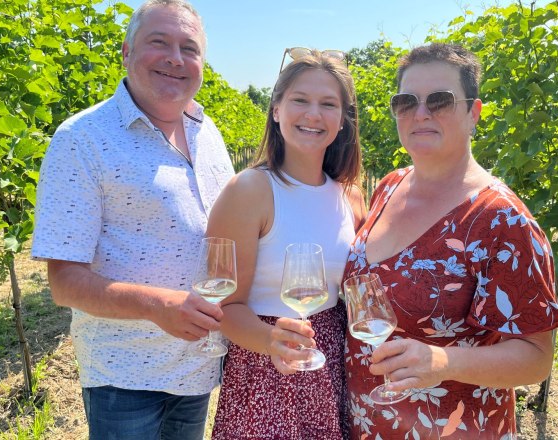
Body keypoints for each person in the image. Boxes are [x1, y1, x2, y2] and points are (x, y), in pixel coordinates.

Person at [342, 43, 558, 439]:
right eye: (406, 102)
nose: (420, 113)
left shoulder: (501, 220)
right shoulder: (389, 186)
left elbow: (536, 358)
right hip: (365, 423)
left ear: (474, 113)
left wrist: (443, 361)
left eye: (440, 101)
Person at [31, 1, 235, 438]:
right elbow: (64, 282)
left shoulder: (208, 132)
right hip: (125, 376)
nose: (175, 58)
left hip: (198, 366)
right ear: (127, 52)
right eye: (159, 43)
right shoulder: (82, 139)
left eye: (189, 48)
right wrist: (157, 305)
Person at [206, 48, 366, 439]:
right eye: (300, 100)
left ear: (342, 121)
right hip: (266, 370)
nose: (313, 114)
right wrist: (271, 342)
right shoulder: (250, 190)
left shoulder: (350, 195)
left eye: (328, 104)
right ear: (276, 109)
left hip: (330, 362)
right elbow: (224, 305)